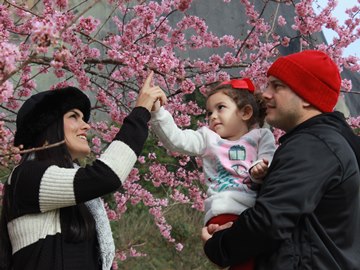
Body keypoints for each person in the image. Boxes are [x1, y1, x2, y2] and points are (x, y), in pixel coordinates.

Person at [202, 50, 360, 269]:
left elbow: (270, 220)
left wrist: (219, 246)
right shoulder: (327, 143)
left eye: (277, 86)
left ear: (307, 96)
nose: (265, 94)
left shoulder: (313, 145)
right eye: (267, 85)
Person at [0, 71, 167, 270]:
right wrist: (140, 111)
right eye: (74, 117)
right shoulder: (26, 177)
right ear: (46, 128)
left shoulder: (79, 202)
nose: (86, 126)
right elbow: (107, 176)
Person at [150, 78, 276, 270]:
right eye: (209, 112)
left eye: (221, 108)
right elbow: (177, 140)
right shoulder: (209, 138)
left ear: (245, 112)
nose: (213, 116)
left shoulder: (261, 136)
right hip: (223, 213)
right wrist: (158, 112)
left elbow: (268, 158)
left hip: (255, 214)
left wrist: (260, 168)